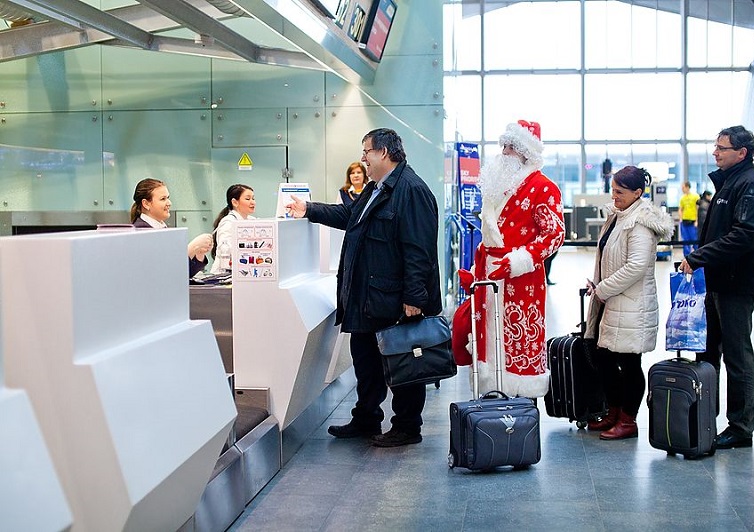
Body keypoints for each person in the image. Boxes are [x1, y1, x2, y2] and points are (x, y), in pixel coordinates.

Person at [285, 128, 441, 447]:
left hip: (395, 300)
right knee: (366, 360)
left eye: (366, 152)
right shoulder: (375, 187)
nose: (363, 159)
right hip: (368, 298)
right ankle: (367, 417)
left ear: (383, 152)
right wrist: (309, 210)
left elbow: (419, 250)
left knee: (402, 363)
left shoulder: (411, 190)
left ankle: (407, 427)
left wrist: (414, 298)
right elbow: (349, 215)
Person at [679, 125, 754, 450]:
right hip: (718, 281)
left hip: (736, 283)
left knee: (736, 355)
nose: (715, 152)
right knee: (708, 353)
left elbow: (745, 235)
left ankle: (740, 427)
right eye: (716, 146)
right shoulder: (729, 183)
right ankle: (707, 418)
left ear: (742, 153)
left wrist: (700, 256)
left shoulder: (749, 185)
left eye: (722, 148)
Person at [458, 120, 565, 399]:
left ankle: (522, 407)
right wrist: (475, 270)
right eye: (503, 146)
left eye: (511, 147)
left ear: (526, 153)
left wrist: (520, 260)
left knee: (518, 339)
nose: (504, 152)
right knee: (488, 340)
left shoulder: (543, 187)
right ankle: (492, 399)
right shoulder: (497, 186)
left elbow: (554, 233)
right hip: (488, 276)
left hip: (521, 280)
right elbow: (490, 235)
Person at [584, 166, 674, 440]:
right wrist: (599, 287)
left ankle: (628, 420)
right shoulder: (618, 217)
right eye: (612, 190)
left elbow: (636, 266)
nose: (614, 196)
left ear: (638, 193)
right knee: (606, 358)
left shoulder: (641, 223)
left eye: (620, 192)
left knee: (629, 362)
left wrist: (603, 288)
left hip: (632, 305)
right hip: (611, 302)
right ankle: (613, 412)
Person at [130, 178, 212, 278]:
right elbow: (163, 269)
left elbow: (181, 274)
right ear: (146, 204)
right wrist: (191, 248)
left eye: (168, 198)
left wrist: (198, 254)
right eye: (163, 199)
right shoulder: (139, 233)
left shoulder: (162, 229)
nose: (169, 203)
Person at [210, 184, 256, 274]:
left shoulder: (252, 220)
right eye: (248, 199)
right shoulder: (228, 222)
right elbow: (225, 249)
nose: (252, 202)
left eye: (253, 198)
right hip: (224, 274)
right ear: (235, 202)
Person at [678, 181, 700, 256]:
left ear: (687, 187)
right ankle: (686, 257)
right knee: (685, 241)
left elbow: (698, 209)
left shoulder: (695, 197)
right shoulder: (682, 198)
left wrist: (697, 220)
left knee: (695, 240)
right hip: (684, 222)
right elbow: (680, 209)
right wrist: (681, 219)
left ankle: (697, 256)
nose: (682, 189)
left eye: (683, 188)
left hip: (693, 222)